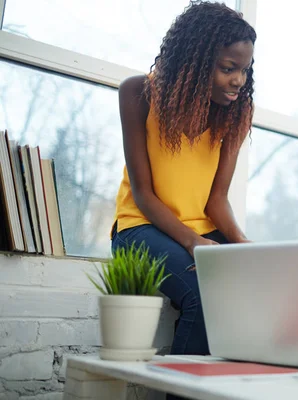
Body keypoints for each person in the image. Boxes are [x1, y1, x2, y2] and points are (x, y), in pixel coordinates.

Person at [111, 1, 256, 357]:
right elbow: (143, 194)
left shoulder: (237, 112)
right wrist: (192, 241)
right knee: (204, 295)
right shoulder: (137, 94)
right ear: (195, 60)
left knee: (260, 294)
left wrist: (241, 241)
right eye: (228, 68)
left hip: (201, 232)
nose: (238, 80)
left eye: (244, 70)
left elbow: (216, 199)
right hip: (140, 227)